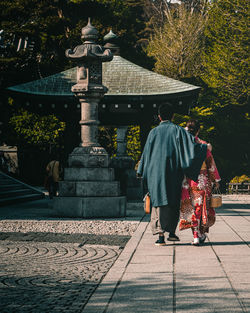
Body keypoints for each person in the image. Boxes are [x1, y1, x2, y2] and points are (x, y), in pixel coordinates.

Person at [137, 104, 208, 246]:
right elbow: (191, 147)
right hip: (173, 171)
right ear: (173, 116)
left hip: (155, 172)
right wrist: (204, 147)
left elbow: (146, 153)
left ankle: (161, 236)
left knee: (158, 202)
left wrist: (141, 170)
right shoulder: (178, 131)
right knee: (173, 201)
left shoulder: (153, 132)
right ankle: (172, 233)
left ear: (159, 116)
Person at [179, 119, 221, 246]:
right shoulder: (204, 145)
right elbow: (210, 164)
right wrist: (216, 180)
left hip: (187, 181)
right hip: (202, 180)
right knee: (202, 208)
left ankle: (196, 235)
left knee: (192, 208)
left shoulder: (183, 145)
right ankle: (200, 234)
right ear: (198, 130)